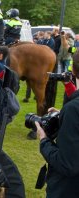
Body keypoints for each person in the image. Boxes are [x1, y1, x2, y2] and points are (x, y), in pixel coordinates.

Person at [35, 51, 79, 197]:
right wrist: (65, 116)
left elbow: (67, 164)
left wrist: (44, 141)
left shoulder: (74, 109)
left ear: (73, 71)